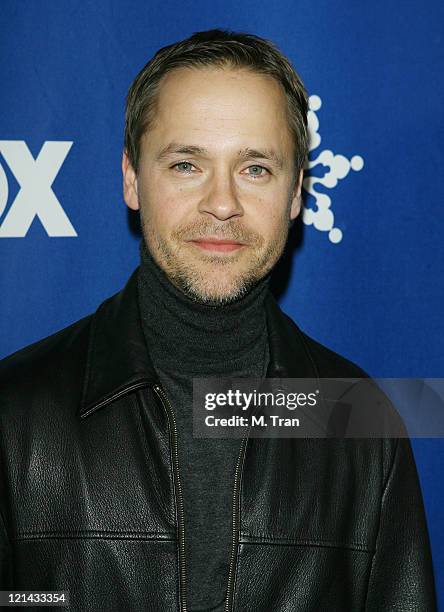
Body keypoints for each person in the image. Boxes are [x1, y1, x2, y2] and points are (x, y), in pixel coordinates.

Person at [0, 29, 437, 611]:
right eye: (186, 164)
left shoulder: (361, 422)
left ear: (296, 192)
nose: (222, 202)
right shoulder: (15, 414)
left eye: (255, 168)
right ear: (131, 179)